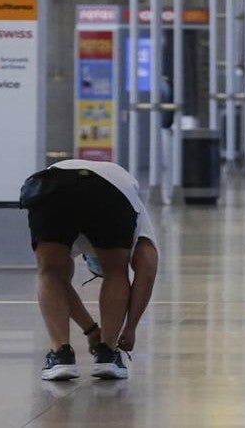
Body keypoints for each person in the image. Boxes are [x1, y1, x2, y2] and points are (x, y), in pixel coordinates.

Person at [19, 160, 159, 381]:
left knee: (50, 272)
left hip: (52, 185)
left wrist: (91, 330)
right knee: (116, 271)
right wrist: (129, 329)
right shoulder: (140, 221)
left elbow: (61, 285)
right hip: (108, 190)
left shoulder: (73, 247)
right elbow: (147, 271)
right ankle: (108, 353)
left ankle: (60, 355)